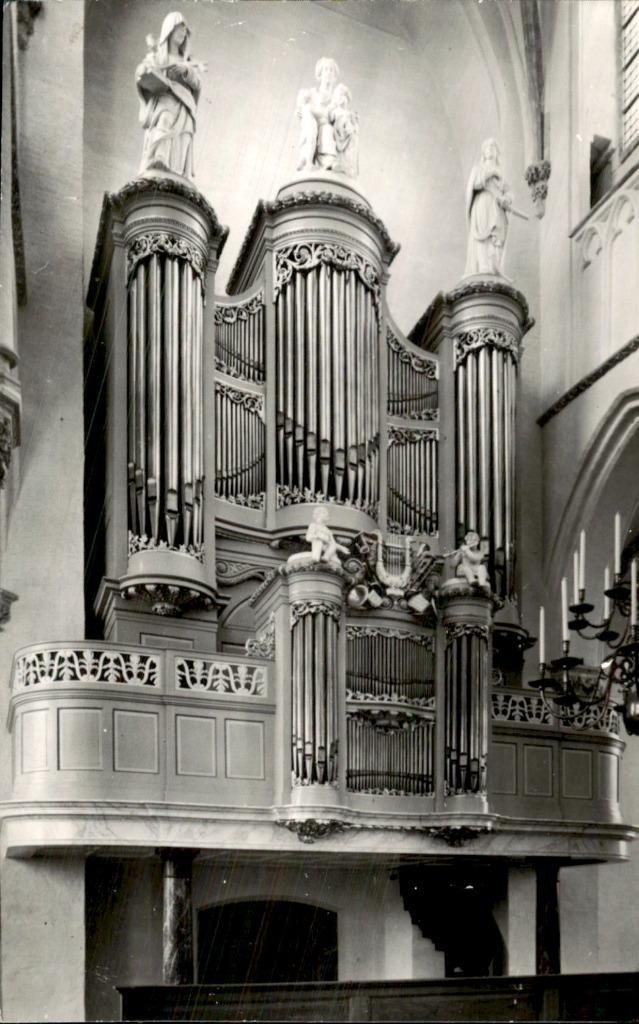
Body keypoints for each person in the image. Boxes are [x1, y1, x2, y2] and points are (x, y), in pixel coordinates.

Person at [136, 12, 205, 179]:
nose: (182, 35)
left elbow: (197, 84)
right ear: (169, 31)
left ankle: (178, 173)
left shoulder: (187, 60)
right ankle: (159, 159)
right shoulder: (159, 56)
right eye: (179, 30)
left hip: (185, 104)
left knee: (184, 135)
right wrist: (145, 71)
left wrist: (186, 72)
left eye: (184, 33)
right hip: (165, 98)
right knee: (164, 118)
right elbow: (143, 70)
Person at [464, 139, 513, 276]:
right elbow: (476, 185)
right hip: (483, 203)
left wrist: (506, 199)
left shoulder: (501, 173)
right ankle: (484, 266)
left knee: (495, 235)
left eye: (493, 146)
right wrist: (491, 173)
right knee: (483, 234)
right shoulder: (478, 169)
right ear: (483, 153)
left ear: (497, 152)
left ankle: (494, 266)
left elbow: (508, 191)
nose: (490, 149)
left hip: (496, 207)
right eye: (487, 147)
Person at [296, 58, 340, 172]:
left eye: (332, 70)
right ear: (320, 73)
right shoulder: (311, 93)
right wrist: (299, 111)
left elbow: (338, 116)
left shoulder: (337, 98)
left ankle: (327, 162)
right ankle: (306, 158)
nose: (329, 72)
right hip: (312, 125)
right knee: (308, 113)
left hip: (328, 126)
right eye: (326, 69)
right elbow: (302, 109)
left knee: (326, 129)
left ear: (335, 76)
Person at [331, 83, 359, 178]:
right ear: (336, 99)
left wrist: (354, 125)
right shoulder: (335, 111)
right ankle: (338, 163)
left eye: (344, 96)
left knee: (352, 143)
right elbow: (329, 119)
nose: (343, 99)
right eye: (340, 96)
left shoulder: (349, 113)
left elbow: (355, 127)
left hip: (348, 136)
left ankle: (348, 166)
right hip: (338, 134)